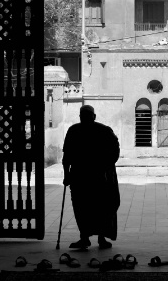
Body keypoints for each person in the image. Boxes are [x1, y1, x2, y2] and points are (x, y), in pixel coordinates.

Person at [62, 105, 120, 249]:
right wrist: (66, 174)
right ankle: (91, 238)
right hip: (88, 177)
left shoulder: (99, 131)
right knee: (88, 207)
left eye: (86, 116)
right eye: (84, 116)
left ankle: (93, 238)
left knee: (92, 207)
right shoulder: (78, 131)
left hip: (91, 177)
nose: (85, 118)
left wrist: (67, 175)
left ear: (92, 117)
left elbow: (115, 151)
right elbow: (67, 156)